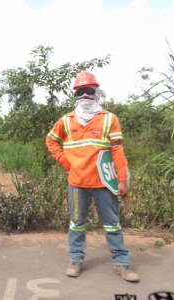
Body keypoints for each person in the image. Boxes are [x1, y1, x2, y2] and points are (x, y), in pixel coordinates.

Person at [45, 71, 139, 282]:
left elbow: (117, 151)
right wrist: (66, 162)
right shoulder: (66, 121)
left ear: (96, 92)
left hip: (104, 183)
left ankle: (122, 263)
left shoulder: (109, 119)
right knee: (77, 223)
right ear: (75, 94)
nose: (85, 95)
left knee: (112, 224)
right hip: (77, 183)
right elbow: (51, 141)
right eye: (81, 91)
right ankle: (75, 259)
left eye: (89, 90)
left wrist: (122, 179)